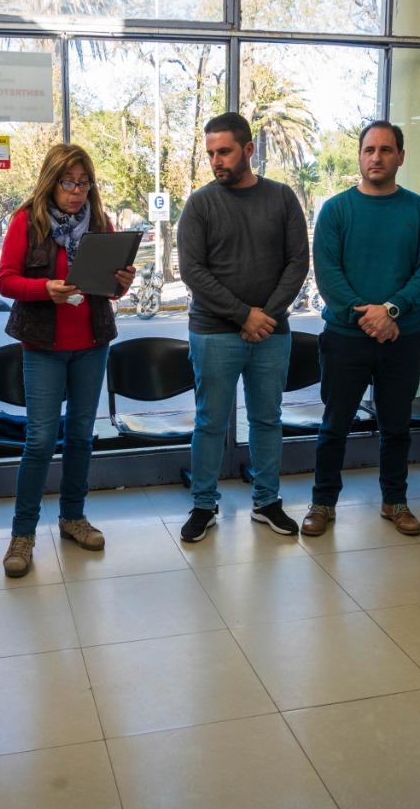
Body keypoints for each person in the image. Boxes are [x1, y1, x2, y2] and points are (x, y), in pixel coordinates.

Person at [0, 144, 134, 577]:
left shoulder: (101, 223)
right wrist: (44, 289)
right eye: (67, 183)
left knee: (80, 435)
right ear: (50, 181)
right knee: (39, 441)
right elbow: (5, 280)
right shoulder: (26, 220)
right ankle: (23, 534)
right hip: (43, 345)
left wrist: (122, 283)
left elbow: (111, 291)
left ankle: (73, 517)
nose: (76, 192)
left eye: (83, 183)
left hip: (92, 342)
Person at [301, 120, 420, 538]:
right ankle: (323, 502)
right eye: (369, 150)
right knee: (334, 426)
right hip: (345, 340)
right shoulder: (336, 210)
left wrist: (392, 312)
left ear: (401, 155)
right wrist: (371, 318)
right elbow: (328, 276)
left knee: (397, 426)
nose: (376, 157)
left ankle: (395, 501)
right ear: (359, 156)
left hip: (402, 340)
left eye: (385, 150)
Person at [177, 112, 310, 542]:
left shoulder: (283, 198)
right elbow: (192, 272)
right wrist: (243, 315)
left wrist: (264, 316)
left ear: (248, 150)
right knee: (210, 422)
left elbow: (297, 263)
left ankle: (267, 501)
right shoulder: (199, 204)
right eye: (211, 153)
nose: (216, 160)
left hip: (272, 333)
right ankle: (203, 505)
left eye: (225, 151)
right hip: (214, 333)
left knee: (267, 419)